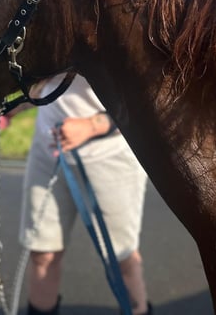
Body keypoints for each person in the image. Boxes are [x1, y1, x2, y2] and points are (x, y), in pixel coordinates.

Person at [19, 74, 151, 315]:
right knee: (42, 253)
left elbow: (147, 97)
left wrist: (92, 126)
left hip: (110, 155)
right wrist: (13, 105)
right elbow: (48, 81)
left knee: (121, 260)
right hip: (47, 150)